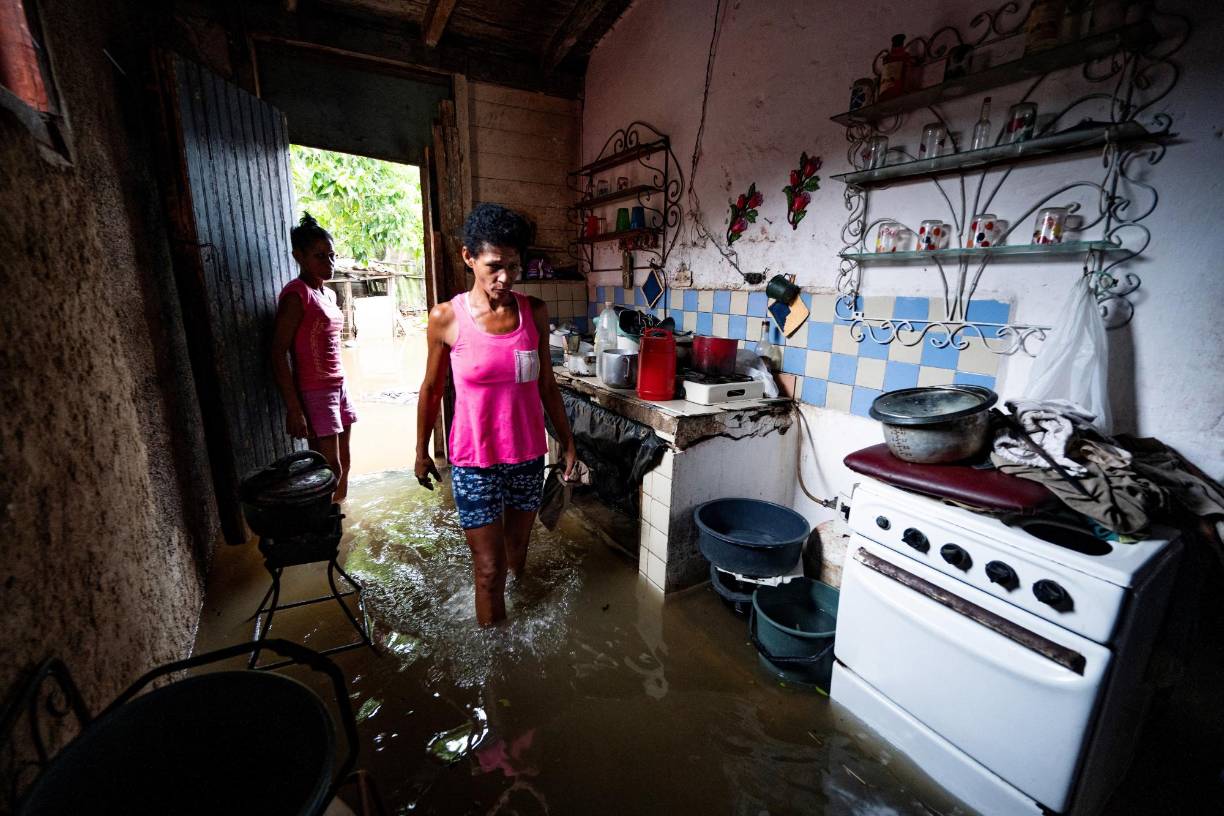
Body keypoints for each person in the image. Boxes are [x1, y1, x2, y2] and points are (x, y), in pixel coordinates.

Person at [415, 203, 577, 626]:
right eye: (494, 266)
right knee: (489, 570)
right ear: (468, 257)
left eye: (514, 266)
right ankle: (496, 654)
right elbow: (432, 388)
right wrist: (420, 451)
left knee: (517, 553)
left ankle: (517, 615)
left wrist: (568, 443)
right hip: (474, 461)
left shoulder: (533, 312)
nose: (505, 278)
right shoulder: (446, 318)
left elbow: (546, 385)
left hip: (527, 456)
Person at [271, 213, 356, 502]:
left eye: (332, 255)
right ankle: (323, 519)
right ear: (299, 256)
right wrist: (294, 408)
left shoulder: (328, 295)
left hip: (338, 386)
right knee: (329, 469)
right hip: (314, 390)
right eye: (319, 256)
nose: (329, 262)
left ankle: (339, 518)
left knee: (345, 463)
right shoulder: (297, 295)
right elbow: (277, 352)